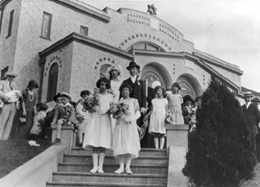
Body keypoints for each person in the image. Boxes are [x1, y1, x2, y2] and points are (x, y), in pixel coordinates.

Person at [83, 77, 113, 174]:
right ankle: (94, 166)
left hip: (105, 120)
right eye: (101, 84)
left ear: (107, 86)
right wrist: (90, 108)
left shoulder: (110, 96)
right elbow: (89, 106)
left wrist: (110, 111)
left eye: (104, 84)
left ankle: (100, 167)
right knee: (95, 142)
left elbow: (111, 107)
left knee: (102, 143)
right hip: (95, 119)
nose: (102, 86)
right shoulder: (94, 96)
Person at [112, 85, 141, 174]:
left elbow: (138, 113)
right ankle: (121, 167)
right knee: (121, 144)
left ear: (130, 91)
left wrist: (131, 119)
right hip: (121, 125)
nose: (125, 92)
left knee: (129, 145)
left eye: (127, 90)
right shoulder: (119, 102)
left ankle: (128, 167)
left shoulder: (134, 101)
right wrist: (117, 114)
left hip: (130, 125)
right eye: (123, 90)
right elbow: (115, 114)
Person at [120, 61, 148, 146]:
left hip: (137, 107)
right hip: (128, 107)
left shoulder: (142, 82)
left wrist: (143, 106)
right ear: (129, 70)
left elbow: (143, 95)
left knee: (138, 124)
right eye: (132, 69)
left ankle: (137, 144)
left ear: (137, 70)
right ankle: (128, 144)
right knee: (128, 124)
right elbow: (122, 94)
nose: (133, 71)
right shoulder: (125, 82)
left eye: (135, 69)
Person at [0, 70, 21, 140]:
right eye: (10, 76)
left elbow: (16, 94)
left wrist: (17, 101)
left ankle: (5, 137)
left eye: (13, 77)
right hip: (6, 103)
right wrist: (4, 97)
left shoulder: (14, 84)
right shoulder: (2, 82)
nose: (12, 78)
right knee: (3, 120)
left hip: (13, 104)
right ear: (7, 76)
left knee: (10, 121)